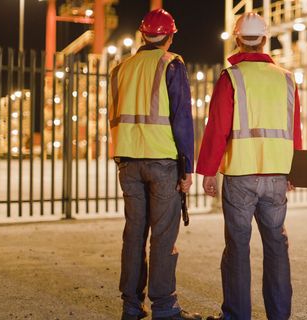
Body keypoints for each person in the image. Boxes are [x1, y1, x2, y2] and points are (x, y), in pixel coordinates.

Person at [196, 12, 302, 320]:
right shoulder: (287, 78)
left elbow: (217, 127)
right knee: (277, 245)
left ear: (237, 38)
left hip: (241, 175)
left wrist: (207, 171)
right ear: (266, 39)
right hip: (276, 175)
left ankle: (237, 315)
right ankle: (279, 315)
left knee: (238, 248)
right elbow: (294, 129)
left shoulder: (232, 77)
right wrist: (294, 169)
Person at [109, 9, 200, 320]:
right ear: (170, 35)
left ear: (141, 34)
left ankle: (131, 306)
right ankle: (164, 307)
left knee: (133, 233)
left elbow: (114, 115)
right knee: (162, 234)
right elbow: (182, 119)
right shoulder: (171, 63)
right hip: (162, 160)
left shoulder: (120, 68)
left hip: (128, 161)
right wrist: (187, 166)